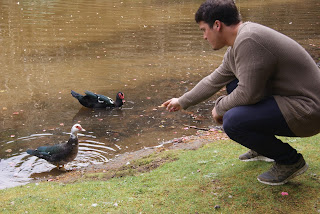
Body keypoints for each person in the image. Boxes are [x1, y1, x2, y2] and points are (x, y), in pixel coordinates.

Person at [162, 0, 320, 185]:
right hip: (295, 102)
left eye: (204, 30)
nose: (204, 36)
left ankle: (290, 161)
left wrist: (219, 108)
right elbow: (214, 79)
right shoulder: (239, 42)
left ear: (217, 25)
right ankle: (263, 147)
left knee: (233, 120)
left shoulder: (249, 40)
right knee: (232, 84)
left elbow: (248, 94)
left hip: (308, 111)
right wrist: (181, 101)